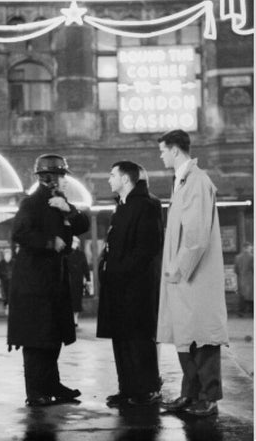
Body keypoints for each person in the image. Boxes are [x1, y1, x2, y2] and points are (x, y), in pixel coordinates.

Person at [7, 153, 90, 407]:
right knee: (36, 339)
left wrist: (70, 210)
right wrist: (48, 242)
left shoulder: (60, 201)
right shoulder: (31, 203)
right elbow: (19, 233)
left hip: (53, 281)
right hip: (34, 283)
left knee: (52, 337)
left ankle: (52, 385)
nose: (66, 181)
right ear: (50, 178)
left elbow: (83, 225)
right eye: (63, 176)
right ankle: (36, 392)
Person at [157, 129, 228, 418]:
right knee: (187, 335)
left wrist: (178, 268)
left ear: (175, 150)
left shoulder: (197, 181)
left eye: (162, 150)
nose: (160, 155)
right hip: (184, 279)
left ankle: (208, 397)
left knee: (203, 337)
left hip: (193, 276)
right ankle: (190, 394)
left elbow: (196, 235)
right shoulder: (184, 181)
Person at [97, 161, 164, 407]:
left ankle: (146, 389)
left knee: (138, 340)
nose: (108, 179)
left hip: (136, 288)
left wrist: (119, 270)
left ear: (126, 179)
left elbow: (147, 248)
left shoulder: (147, 205)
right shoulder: (122, 205)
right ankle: (127, 389)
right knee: (121, 339)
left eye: (112, 174)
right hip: (118, 286)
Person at [66, 237, 90, 327]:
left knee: (77, 301)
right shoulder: (67, 253)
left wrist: (88, 279)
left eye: (76, 242)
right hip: (69, 281)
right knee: (70, 300)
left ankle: (75, 319)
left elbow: (85, 267)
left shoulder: (80, 254)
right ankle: (71, 319)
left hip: (78, 281)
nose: (75, 244)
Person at [234, 243, 253, 317]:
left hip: (241, 279)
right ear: (248, 247)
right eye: (251, 247)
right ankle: (252, 312)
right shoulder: (252, 257)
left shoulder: (237, 257)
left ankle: (241, 312)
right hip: (251, 279)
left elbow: (235, 270)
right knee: (252, 295)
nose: (251, 248)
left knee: (242, 295)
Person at [0, 248, 15, 314]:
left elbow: (17, 272)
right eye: (6, 255)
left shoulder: (14, 262)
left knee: (11, 293)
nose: (7, 256)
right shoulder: (1, 263)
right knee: (5, 293)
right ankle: (6, 304)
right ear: (4, 255)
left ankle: (11, 305)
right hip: (4, 281)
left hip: (12, 281)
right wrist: (3, 276)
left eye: (9, 254)